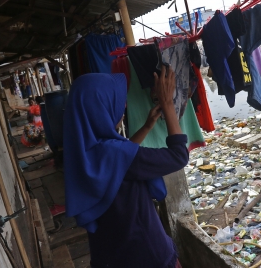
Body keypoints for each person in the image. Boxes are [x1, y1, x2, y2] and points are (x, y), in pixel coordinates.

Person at [63, 67, 189, 268]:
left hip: (110, 256)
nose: (123, 106)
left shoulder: (83, 156)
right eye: (117, 102)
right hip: (148, 254)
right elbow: (179, 156)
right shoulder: (115, 154)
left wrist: (147, 126)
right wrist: (167, 105)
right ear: (101, 109)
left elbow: (120, 163)